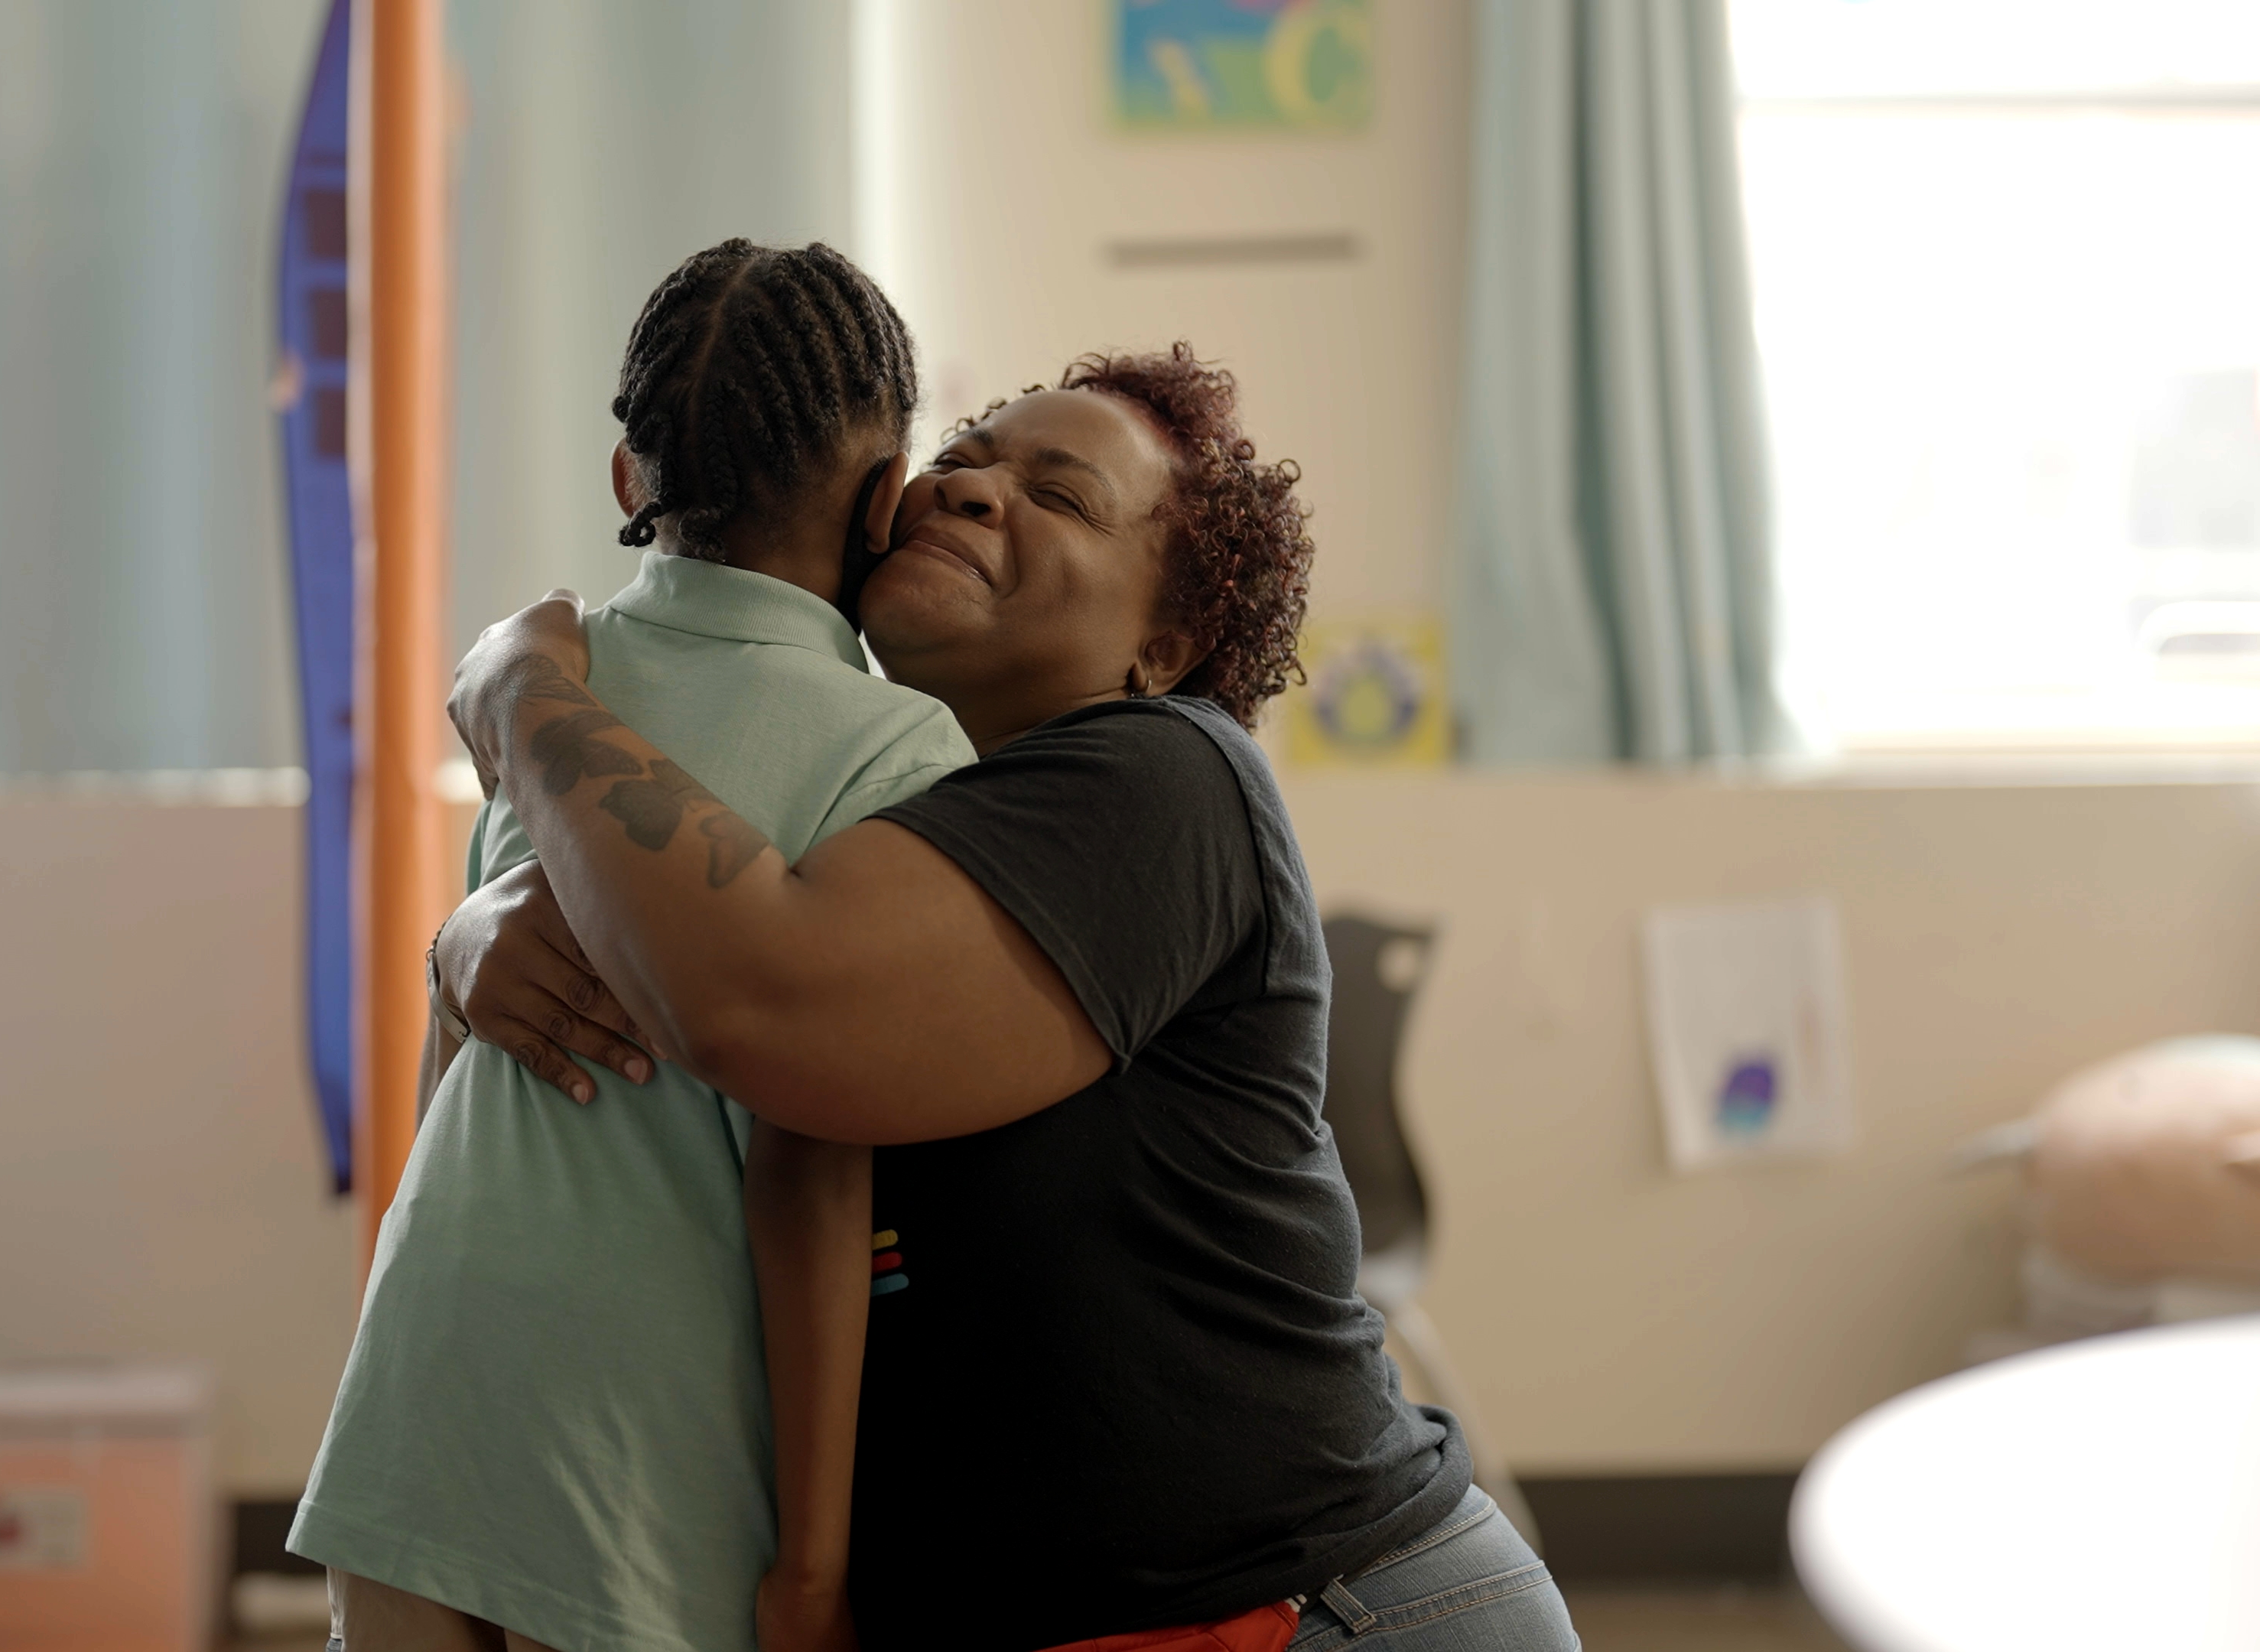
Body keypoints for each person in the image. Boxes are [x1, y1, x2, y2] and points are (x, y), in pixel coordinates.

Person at [437, 346, 1581, 1651]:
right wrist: (467, 940)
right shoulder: (863, 804)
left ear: (1164, 646)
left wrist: (521, 689)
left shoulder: (1166, 775)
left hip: (1323, 1610)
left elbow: (764, 1004)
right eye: (964, 458)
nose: (972, 490)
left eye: (1064, 496)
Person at [292, 240, 980, 1652]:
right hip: (633, 1443)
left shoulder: (555, 684)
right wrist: (814, 1568)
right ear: (885, 500)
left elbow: (466, 1049)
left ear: (629, 481)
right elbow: (811, 1170)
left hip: (417, 1384)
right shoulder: (902, 746)